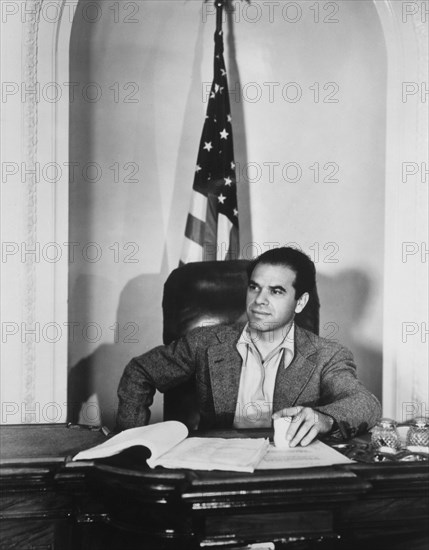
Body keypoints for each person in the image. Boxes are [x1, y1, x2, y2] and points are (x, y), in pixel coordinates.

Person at [117, 247, 381, 446]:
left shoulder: (327, 355)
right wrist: (130, 444)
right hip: (219, 468)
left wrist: (325, 418)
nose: (259, 301)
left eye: (276, 291)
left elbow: (366, 404)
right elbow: (140, 371)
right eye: (254, 288)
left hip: (287, 473)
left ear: (300, 303)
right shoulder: (206, 342)